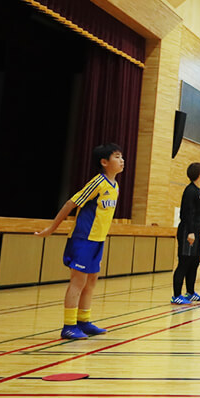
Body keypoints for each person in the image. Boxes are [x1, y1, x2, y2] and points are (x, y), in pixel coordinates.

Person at [35, 143, 124, 339]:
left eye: (121, 157)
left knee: (91, 281)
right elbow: (70, 203)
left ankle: (84, 322)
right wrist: (51, 228)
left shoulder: (115, 186)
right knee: (78, 281)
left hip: (98, 240)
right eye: (117, 157)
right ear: (104, 162)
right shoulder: (97, 183)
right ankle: (68, 326)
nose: (122, 160)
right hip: (83, 239)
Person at [171, 163, 200, 305]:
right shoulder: (190, 191)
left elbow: (196, 214)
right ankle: (176, 295)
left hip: (195, 231)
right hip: (187, 232)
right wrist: (191, 232)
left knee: (194, 262)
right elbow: (186, 214)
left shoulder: (197, 191)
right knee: (184, 263)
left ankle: (190, 293)